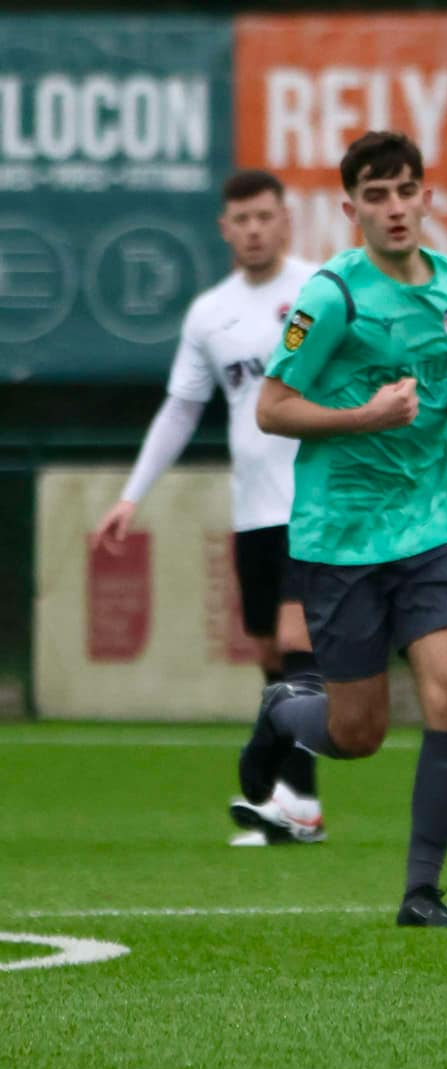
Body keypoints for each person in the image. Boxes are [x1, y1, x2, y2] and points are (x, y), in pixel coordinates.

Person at [241, 130, 447, 928]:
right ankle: (283, 709)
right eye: (377, 196)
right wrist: (364, 415)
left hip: (432, 528)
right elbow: (271, 407)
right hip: (342, 538)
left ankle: (421, 892)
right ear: (352, 209)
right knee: (357, 735)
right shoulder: (330, 299)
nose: (395, 209)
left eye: (406, 191)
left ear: (427, 196)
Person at [90, 170, 328, 847]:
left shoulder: (320, 292)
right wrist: (131, 496)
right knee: (267, 654)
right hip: (251, 512)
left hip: (314, 503)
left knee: (293, 644)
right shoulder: (209, 313)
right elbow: (181, 409)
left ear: (285, 220)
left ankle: (297, 802)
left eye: (264, 216)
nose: (254, 229)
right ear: (225, 229)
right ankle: (294, 807)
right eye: (241, 219)